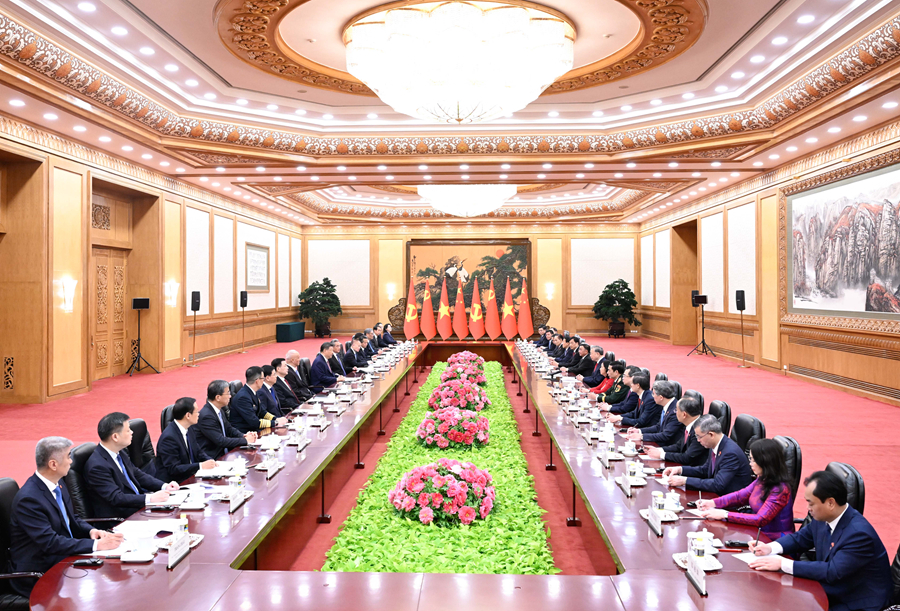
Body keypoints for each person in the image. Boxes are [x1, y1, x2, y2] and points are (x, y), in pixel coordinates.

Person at [748, 471, 892, 611]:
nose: (808, 508)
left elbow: (832, 571)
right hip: (832, 589)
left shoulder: (858, 534)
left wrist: (782, 563)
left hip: (856, 601)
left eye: (811, 503)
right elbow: (801, 538)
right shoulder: (824, 517)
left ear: (830, 503)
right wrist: (770, 548)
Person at [9, 437, 124, 596]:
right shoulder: (29, 500)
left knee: (114, 575)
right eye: (68, 456)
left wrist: (91, 531)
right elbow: (50, 543)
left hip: (64, 558)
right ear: (53, 464)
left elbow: (72, 518)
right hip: (40, 573)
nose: (71, 461)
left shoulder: (59, 484)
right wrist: (96, 545)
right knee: (101, 589)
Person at [84, 412, 179, 519]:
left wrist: (164, 486)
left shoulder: (119, 452)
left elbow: (137, 474)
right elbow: (116, 498)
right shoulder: (97, 466)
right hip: (121, 518)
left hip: (138, 508)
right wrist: (150, 498)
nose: (132, 432)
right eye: (128, 430)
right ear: (115, 437)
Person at [697, 438, 794, 538]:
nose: (750, 463)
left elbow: (760, 519)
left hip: (773, 539)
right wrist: (712, 503)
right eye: (750, 459)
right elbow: (740, 496)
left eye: (753, 460)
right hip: (755, 533)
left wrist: (725, 514)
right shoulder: (763, 478)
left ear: (765, 462)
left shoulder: (780, 489)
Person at [662, 415, 754, 495]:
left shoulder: (730, 453)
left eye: (699, 436)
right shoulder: (715, 444)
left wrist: (685, 481)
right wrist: (680, 470)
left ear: (711, 434)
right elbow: (705, 470)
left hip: (730, 501)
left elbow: (718, 484)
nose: (698, 440)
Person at [155, 397, 217, 482]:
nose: (199, 414)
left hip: (190, 475)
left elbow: (198, 451)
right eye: (196, 411)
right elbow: (174, 469)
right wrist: (200, 466)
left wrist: (209, 460)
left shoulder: (189, 428)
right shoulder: (169, 438)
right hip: (175, 483)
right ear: (188, 415)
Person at [194, 380, 258, 458]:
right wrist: (245, 440)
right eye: (228, 393)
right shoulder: (206, 416)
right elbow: (221, 441)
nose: (230, 396)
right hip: (213, 458)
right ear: (218, 397)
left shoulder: (220, 409)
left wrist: (243, 435)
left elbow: (229, 429)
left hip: (225, 453)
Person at [644, 395, 706, 466]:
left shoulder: (699, 430)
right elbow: (678, 446)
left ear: (684, 414)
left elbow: (687, 458)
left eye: (676, 410)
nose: (675, 412)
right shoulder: (690, 424)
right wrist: (658, 449)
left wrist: (662, 455)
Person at [230, 366, 287, 433]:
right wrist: (276, 422)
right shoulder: (243, 397)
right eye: (263, 379)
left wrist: (276, 418)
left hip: (254, 430)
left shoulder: (252, 391)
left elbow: (262, 412)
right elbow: (254, 422)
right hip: (245, 433)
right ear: (257, 381)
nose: (264, 381)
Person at [626, 380, 682, 446]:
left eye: (653, 394)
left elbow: (665, 435)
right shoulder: (667, 405)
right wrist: (639, 431)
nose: (652, 396)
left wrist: (641, 436)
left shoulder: (675, 411)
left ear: (661, 397)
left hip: (667, 446)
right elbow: (658, 427)